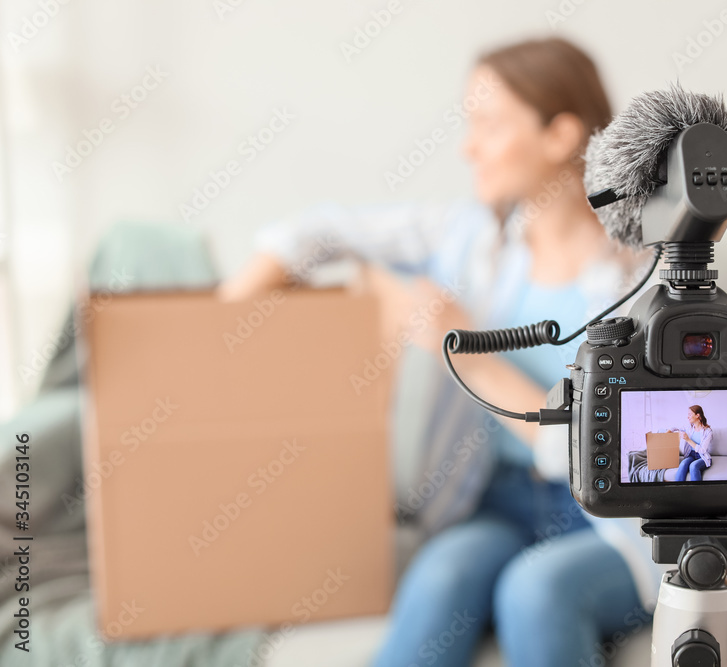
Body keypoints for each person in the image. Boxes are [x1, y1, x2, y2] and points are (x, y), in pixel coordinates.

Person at [219, 38, 663, 666]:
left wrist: (465, 350)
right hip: (500, 499)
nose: (467, 146)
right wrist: (221, 326)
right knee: (439, 579)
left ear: (560, 135)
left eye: (488, 124)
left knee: (534, 593)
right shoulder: (469, 242)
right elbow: (317, 231)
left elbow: (593, 451)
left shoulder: (644, 280)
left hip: (608, 515)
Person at [668, 405, 714, 482]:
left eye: (690, 414)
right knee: (683, 464)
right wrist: (667, 432)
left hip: (702, 457)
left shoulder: (708, 431)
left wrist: (688, 440)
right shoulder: (689, 428)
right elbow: (674, 427)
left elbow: (702, 450)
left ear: (697, 415)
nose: (688, 417)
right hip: (691, 455)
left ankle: (696, 492)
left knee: (693, 466)